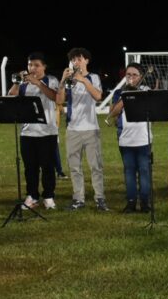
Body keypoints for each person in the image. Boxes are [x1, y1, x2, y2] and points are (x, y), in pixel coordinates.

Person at [57, 48, 108, 211]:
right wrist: (63, 81)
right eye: (73, 60)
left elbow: (98, 96)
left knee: (95, 166)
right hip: (72, 129)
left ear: (86, 60)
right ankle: (78, 198)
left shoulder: (93, 77)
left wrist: (83, 80)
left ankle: (100, 198)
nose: (76, 62)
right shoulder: (69, 79)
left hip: (91, 128)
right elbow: (59, 100)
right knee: (74, 166)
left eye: (79, 59)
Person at [8, 53, 60, 210]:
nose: (32, 68)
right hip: (27, 132)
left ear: (44, 66)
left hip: (47, 131)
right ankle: (32, 195)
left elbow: (55, 97)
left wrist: (38, 83)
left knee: (48, 166)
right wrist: (18, 82)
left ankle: (49, 196)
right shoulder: (24, 83)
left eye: (36, 65)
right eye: (30, 65)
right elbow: (12, 94)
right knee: (30, 167)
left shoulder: (51, 80)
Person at [108, 63, 152, 213]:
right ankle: (131, 202)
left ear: (140, 77)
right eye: (128, 75)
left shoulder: (146, 91)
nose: (131, 78)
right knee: (129, 172)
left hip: (144, 139)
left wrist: (136, 93)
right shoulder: (119, 92)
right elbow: (113, 113)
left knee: (145, 172)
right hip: (125, 139)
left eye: (134, 75)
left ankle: (145, 203)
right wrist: (124, 96)